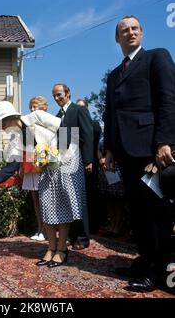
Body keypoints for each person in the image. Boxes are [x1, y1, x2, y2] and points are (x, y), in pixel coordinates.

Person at [104, 15, 175, 292]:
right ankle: (144, 260)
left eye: (134, 28)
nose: (130, 32)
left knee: (155, 212)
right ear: (117, 38)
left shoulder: (157, 57)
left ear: (142, 33)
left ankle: (158, 270)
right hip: (123, 151)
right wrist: (109, 148)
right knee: (137, 212)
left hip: (150, 151)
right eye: (124, 30)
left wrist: (165, 142)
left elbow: (169, 100)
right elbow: (110, 114)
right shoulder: (113, 75)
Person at [0, 100, 89, 267]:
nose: (2, 128)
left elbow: (65, 130)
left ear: (11, 118)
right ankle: (51, 247)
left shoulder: (36, 116)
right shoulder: (16, 138)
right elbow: (11, 165)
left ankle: (62, 249)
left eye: (2, 123)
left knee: (62, 205)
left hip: (67, 160)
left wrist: (55, 154)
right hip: (47, 165)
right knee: (46, 206)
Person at [52, 84, 94, 251]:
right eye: (54, 96)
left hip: (78, 160)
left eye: (59, 95)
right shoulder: (57, 116)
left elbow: (87, 134)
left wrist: (88, 160)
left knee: (78, 199)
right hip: (63, 163)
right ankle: (72, 235)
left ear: (68, 93)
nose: (56, 98)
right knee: (68, 198)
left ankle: (83, 238)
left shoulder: (78, 110)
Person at [23, 96, 48, 241]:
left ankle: (47, 230)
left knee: (44, 198)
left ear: (43, 107)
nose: (32, 109)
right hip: (29, 165)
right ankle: (40, 229)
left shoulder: (47, 123)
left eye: (35, 106)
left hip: (43, 165)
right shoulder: (27, 124)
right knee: (35, 200)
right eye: (31, 107)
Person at [76, 98, 103, 235]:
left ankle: (95, 224)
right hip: (77, 163)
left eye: (82, 108)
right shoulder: (74, 126)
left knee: (92, 193)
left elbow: (95, 144)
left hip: (91, 162)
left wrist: (90, 161)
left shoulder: (94, 124)